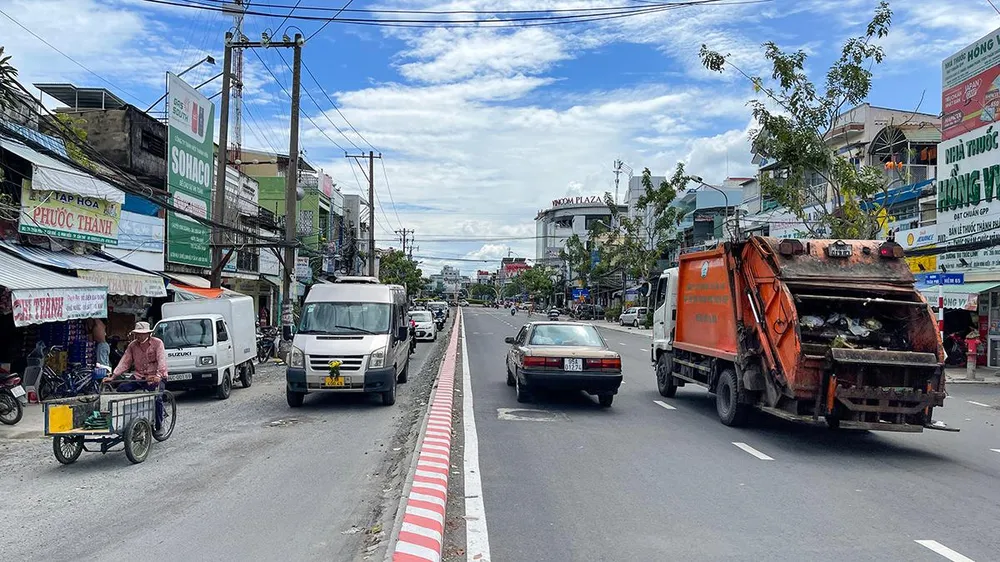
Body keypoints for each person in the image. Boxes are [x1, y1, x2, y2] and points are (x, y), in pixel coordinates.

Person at [108, 322, 168, 427]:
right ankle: (125, 421)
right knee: (122, 389)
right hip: (139, 376)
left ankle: (159, 424)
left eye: (142, 333)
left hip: (155, 376)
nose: (139, 336)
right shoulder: (132, 346)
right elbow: (125, 362)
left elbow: (161, 360)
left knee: (157, 398)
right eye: (138, 334)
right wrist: (113, 376)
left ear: (148, 334)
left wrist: (158, 375)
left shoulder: (157, 343)